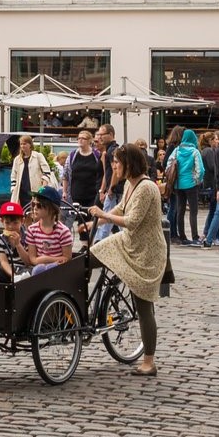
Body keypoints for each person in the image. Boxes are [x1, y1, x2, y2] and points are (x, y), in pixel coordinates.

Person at [89, 144, 167, 377]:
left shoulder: (146, 188)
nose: (114, 166)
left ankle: (149, 362)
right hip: (129, 243)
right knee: (88, 257)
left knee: (143, 307)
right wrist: (92, 224)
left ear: (129, 164)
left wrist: (103, 214)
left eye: (117, 162)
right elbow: (121, 210)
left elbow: (131, 221)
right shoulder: (130, 185)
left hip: (146, 252)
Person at [166, 129, 205, 246]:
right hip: (191, 185)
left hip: (178, 185)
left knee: (180, 210)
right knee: (193, 211)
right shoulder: (195, 151)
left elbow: (169, 165)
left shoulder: (177, 151)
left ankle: (182, 236)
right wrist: (197, 180)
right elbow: (200, 169)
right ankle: (195, 236)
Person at [22, 186, 74, 274]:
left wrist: (45, 259)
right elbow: (32, 259)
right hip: (37, 269)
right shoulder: (32, 230)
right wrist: (45, 261)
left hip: (58, 272)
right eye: (33, 204)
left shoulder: (63, 231)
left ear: (52, 209)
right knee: (38, 270)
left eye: (39, 205)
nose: (35, 208)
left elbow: (67, 258)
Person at [0, 200, 31, 282]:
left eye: (15, 223)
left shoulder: (27, 236)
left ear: (22, 221)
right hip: (9, 269)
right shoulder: (0, 238)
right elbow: (3, 261)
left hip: (23, 268)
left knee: (30, 272)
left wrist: (18, 244)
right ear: (2, 221)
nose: (11, 227)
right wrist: (12, 275)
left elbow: (28, 262)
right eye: (7, 223)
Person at [63, 129, 103, 213]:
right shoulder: (72, 155)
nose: (80, 140)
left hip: (93, 194)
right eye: (78, 138)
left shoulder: (97, 154)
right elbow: (65, 175)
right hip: (76, 194)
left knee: (91, 218)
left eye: (83, 138)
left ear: (89, 141)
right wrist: (64, 191)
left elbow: (102, 173)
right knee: (80, 219)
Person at [9, 134, 52, 205]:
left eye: (25, 144)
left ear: (30, 145)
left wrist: (43, 187)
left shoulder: (38, 156)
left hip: (36, 191)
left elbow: (47, 172)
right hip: (21, 192)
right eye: (21, 144)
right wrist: (13, 188)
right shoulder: (17, 159)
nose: (22, 146)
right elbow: (13, 175)